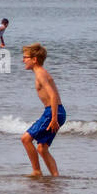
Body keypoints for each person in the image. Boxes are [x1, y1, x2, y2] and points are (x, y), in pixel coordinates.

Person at [20, 43, 65, 177]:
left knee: (26, 139)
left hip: (53, 111)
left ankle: (37, 171)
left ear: (34, 59)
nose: (23, 60)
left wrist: (54, 118)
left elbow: (53, 96)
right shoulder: (40, 73)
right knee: (42, 148)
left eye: (25, 57)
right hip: (57, 111)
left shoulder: (41, 74)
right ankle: (55, 176)